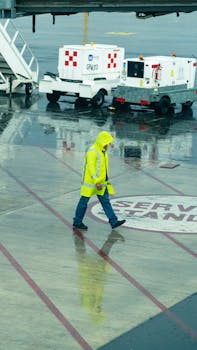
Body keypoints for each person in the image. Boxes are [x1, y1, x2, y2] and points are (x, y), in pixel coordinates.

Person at [73, 130, 126, 230]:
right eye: (107, 143)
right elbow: (91, 167)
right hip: (91, 183)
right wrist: (96, 181)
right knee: (84, 202)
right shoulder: (92, 151)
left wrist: (104, 180)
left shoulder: (103, 151)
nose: (108, 145)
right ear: (102, 141)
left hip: (101, 183)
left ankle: (113, 221)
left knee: (105, 201)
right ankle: (77, 221)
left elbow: (102, 168)